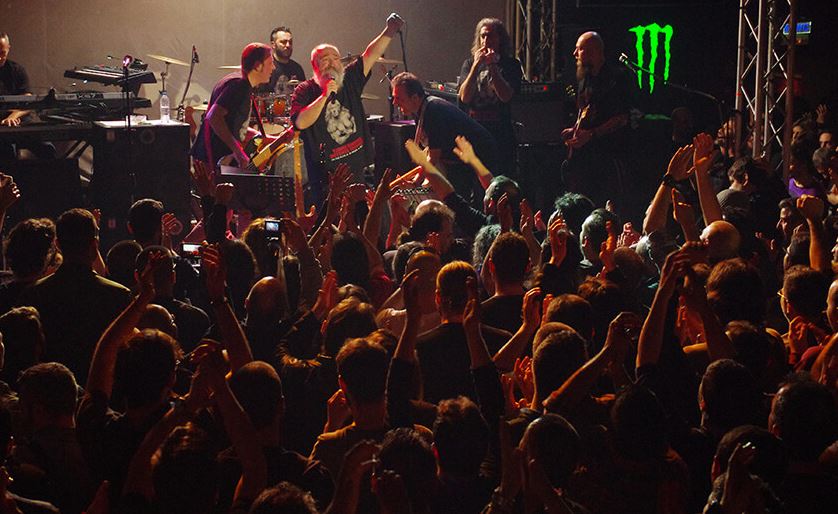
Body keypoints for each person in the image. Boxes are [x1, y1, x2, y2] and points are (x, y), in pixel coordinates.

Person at [290, 13, 405, 208]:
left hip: (356, 172)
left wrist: (390, 30)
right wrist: (324, 96)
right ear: (315, 65)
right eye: (325, 59)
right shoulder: (305, 91)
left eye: (335, 58)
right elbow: (300, 122)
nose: (332, 63)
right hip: (326, 181)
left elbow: (370, 55)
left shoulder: (350, 79)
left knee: (359, 217)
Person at [392, 71, 499, 203]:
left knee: (484, 201)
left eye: (399, 98)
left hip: (481, 154)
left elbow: (434, 156)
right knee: (458, 202)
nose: (394, 103)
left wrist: (416, 182)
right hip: (460, 161)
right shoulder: (421, 110)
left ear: (414, 98)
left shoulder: (432, 110)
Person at [561, 31, 631, 211]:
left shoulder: (616, 78)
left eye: (579, 49)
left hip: (608, 156)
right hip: (586, 159)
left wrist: (591, 134)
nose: (574, 54)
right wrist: (574, 130)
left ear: (593, 51)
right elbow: (584, 112)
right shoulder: (584, 80)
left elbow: (622, 118)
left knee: (609, 206)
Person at [191, 43, 277, 169]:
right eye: (270, 63)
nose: (273, 68)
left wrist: (261, 136)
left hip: (209, 158)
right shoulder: (239, 86)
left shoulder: (239, 82)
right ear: (258, 66)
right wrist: (238, 152)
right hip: (213, 160)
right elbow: (213, 116)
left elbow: (232, 124)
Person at [458, 18, 523, 177]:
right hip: (475, 132)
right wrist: (475, 66)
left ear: (500, 39)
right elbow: (464, 97)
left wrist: (493, 66)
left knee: (500, 178)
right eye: (483, 36)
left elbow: (505, 96)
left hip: (500, 134)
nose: (486, 40)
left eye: (491, 36)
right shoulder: (469, 64)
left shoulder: (511, 64)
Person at [258, 26, 306, 95]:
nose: (288, 45)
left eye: (290, 42)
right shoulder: (264, 68)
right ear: (273, 45)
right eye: (283, 42)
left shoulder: (297, 68)